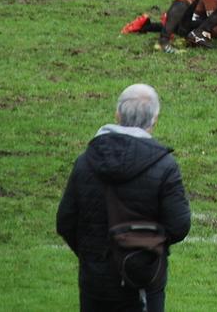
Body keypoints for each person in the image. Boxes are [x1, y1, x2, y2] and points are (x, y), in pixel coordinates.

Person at [56, 84, 191, 312]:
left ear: (117, 115)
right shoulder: (164, 166)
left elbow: (65, 221)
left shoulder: (85, 161)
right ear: (155, 120)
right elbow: (179, 226)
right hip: (143, 279)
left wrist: (92, 255)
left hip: (95, 281)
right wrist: (147, 248)